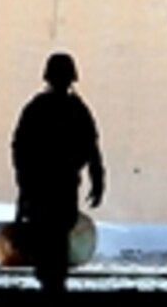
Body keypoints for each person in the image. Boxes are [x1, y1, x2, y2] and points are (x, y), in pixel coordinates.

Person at [11, 53, 105, 292]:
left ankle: (50, 281)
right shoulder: (76, 109)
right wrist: (97, 179)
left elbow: (20, 148)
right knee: (56, 234)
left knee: (48, 234)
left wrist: (24, 183)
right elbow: (91, 147)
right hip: (59, 184)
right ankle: (54, 281)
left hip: (44, 185)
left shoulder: (38, 108)